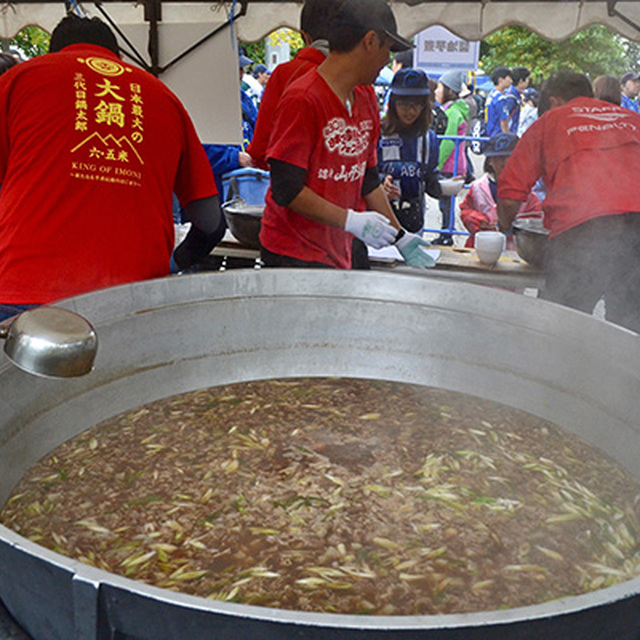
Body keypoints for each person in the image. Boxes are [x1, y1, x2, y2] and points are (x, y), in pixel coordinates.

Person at [0, 15, 221, 322]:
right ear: (117, 56)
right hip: (135, 302)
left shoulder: (20, 79)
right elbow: (211, 222)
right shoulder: (164, 97)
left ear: (53, 52)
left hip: (26, 296)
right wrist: (176, 262)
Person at [259, 0, 434, 270]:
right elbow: (287, 189)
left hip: (339, 249)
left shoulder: (365, 99)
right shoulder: (303, 99)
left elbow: (367, 179)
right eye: (388, 49)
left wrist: (400, 237)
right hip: (293, 253)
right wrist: (350, 220)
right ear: (370, 41)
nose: (388, 60)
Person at [497, 70, 640, 333]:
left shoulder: (551, 121)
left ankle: (556, 372)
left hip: (582, 233)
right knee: (631, 328)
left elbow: (509, 194)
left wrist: (503, 227)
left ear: (552, 102)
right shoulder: (632, 119)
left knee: (559, 326)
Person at [246, 0, 345, 171]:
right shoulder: (358, 76)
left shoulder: (285, 75)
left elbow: (261, 147)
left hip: (293, 185)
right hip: (344, 185)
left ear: (305, 36)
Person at [378, 68, 443, 233]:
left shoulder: (429, 139)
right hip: (378, 220)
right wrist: (381, 183)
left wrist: (445, 186)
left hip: (413, 222)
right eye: (403, 104)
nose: (410, 111)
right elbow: (363, 175)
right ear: (393, 104)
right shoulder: (377, 134)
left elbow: (429, 180)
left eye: (416, 105)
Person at [460, 132, 541, 248]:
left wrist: (515, 226)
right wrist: (478, 220)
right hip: (481, 250)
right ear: (490, 161)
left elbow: (536, 220)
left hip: (515, 254)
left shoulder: (528, 194)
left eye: (511, 158)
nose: (506, 162)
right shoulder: (478, 188)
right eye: (499, 158)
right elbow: (465, 210)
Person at [433, 70, 468, 246]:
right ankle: (446, 233)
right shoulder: (452, 109)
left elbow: (447, 142)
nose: (436, 91)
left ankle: (446, 235)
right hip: (453, 163)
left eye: (440, 87)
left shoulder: (452, 112)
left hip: (448, 165)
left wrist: (435, 164)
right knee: (445, 203)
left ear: (451, 91)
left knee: (445, 203)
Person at [484, 65, 512, 137]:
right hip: (498, 136)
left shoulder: (491, 95)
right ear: (501, 80)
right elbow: (503, 122)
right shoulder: (500, 99)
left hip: (490, 134)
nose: (511, 81)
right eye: (509, 78)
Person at [504, 66, 531, 134]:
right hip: (511, 134)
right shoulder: (511, 97)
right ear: (521, 81)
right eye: (527, 78)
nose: (528, 81)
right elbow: (505, 118)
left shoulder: (518, 95)